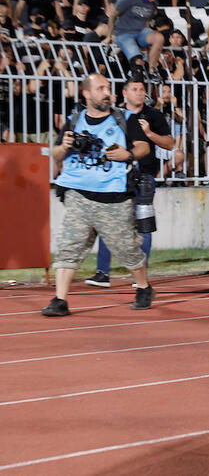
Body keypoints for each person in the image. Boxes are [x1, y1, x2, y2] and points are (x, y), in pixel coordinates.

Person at [42, 73, 154, 317]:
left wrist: (129, 154)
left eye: (108, 88)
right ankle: (60, 299)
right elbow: (57, 154)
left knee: (126, 248)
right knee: (69, 246)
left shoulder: (125, 118)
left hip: (113, 196)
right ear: (86, 94)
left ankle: (144, 287)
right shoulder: (74, 121)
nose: (107, 92)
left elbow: (144, 146)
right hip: (77, 193)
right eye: (101, 88)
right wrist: (65, 146)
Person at [86, 77, 174, 288]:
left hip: (144, 176)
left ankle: (140, 277)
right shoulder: (115, 115)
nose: (139, 92)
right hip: (117, 177)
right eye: (134, 89)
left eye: (142, 89)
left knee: (144, 224)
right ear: (124, 93)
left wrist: (149, 133)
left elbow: (170, 144)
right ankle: (102, 273)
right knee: (109, 223)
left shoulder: (153, 115)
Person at [106, 0, 165, 82]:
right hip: (124, 33)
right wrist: (109, 36)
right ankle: (139, 87)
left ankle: (152, 71)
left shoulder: (153, 4)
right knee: (137, 60)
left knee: (159, 38)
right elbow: (113, 17)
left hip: (140, 32)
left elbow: (147, 21)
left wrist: (148, 40)